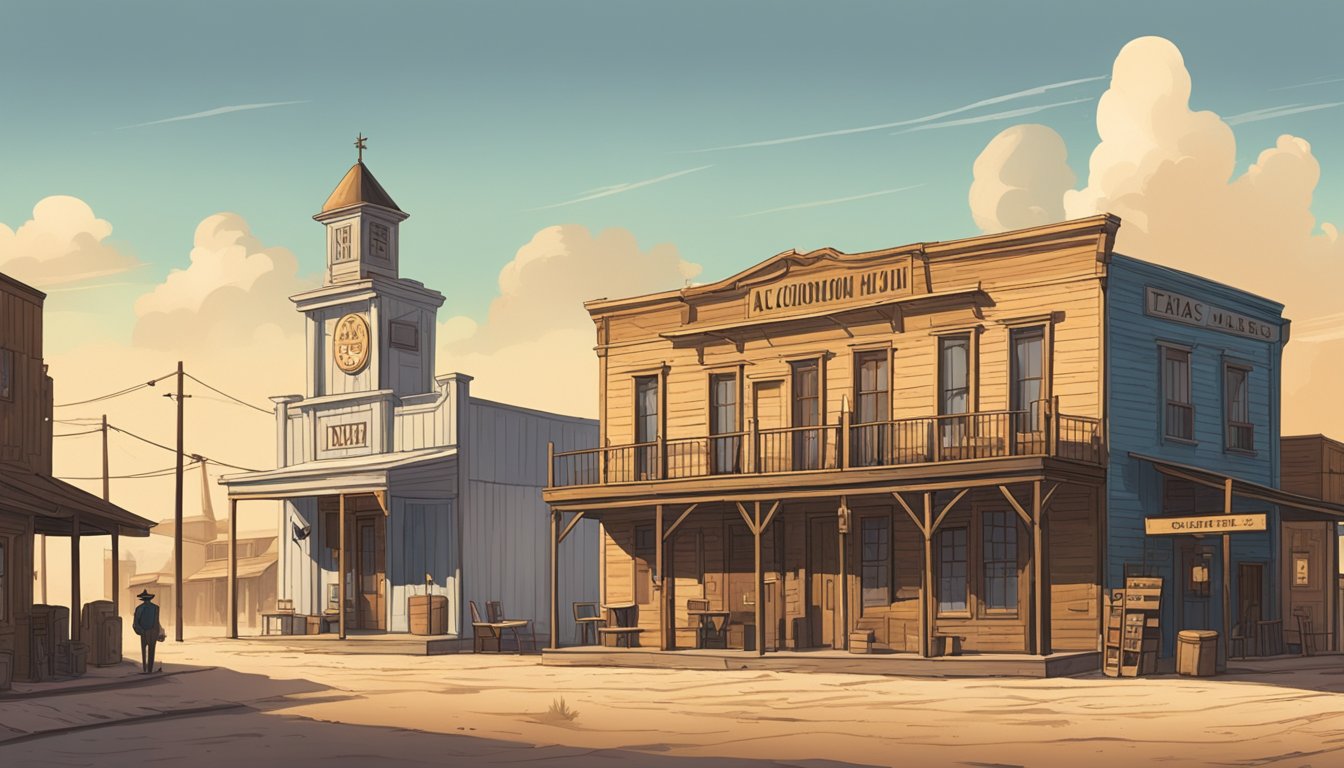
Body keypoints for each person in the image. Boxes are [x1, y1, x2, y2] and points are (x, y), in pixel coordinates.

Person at [132, 589, 164, 674]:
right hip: (152, 631)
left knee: (144, 650)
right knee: (151, 650)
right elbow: (156, 621)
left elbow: (135, 622)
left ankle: (145, 669)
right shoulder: (156, 608)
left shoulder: (139, 608)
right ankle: (149, 669)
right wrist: (158, 632)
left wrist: (140, 631)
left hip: (145, 631)